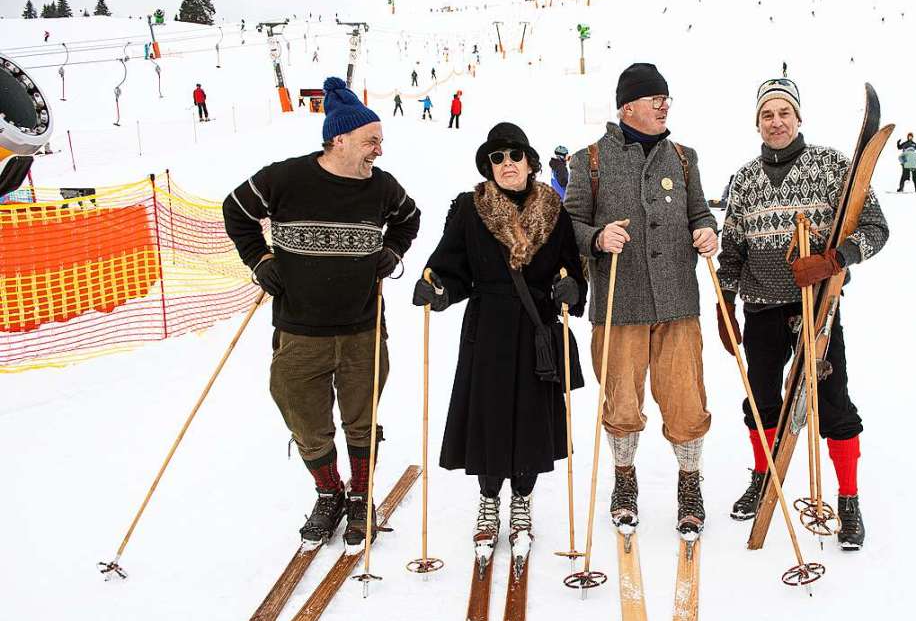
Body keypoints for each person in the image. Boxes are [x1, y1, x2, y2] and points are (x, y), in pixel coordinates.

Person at [222, 77, 422, 546]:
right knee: (305, 419)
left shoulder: (383, 188)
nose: (379, 149)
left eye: (380, 140)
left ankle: (360, 497)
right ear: (340, 138)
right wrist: (260, 259)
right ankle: (329, 493)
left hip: (362, 328)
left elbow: (410, 218)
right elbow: (236, 210)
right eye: (372, 140)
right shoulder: (285, 178)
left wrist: (391, 252)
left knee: (359, 418)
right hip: (300, 329)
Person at [715, 77, 890, 551]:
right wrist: (724, 305)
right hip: (762, 310)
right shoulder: (746, 180)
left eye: (784, 113)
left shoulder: (831, 166)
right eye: (767, 115)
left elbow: (876, 227)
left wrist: (836, 259)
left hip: (818, 308)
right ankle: (763, 476)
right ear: (757, 122)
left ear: (798, 118)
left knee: (833, 400)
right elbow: (730, 252)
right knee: (762, 399)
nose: (776, 122)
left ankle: (848, 499)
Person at [412, 122, 586, 561]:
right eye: (498, 158)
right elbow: (451, 266)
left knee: (530, 416)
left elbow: (571, 267)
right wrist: (438, 290)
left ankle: (522, 498)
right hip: (487, 327)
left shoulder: (553, 211)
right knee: (488, 414)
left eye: (514, 156)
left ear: (530, 162)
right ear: (489, 167)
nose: (507, 164)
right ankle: (489, 498)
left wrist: (571, 289)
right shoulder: (471, 210)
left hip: (536, 329)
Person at [564, 63, 718, 538]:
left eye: (666, 98)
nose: (664, 105)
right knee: (622, 404)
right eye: (655, 99)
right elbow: (566, 225)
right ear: (628, 106)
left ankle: (689, 484)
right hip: (619, 303)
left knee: (687, 402)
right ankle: (624, 480)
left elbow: (700, 210)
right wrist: (595, 237)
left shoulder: (684, 157)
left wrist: (706, 228)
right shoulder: (588, 160)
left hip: (678, 303)